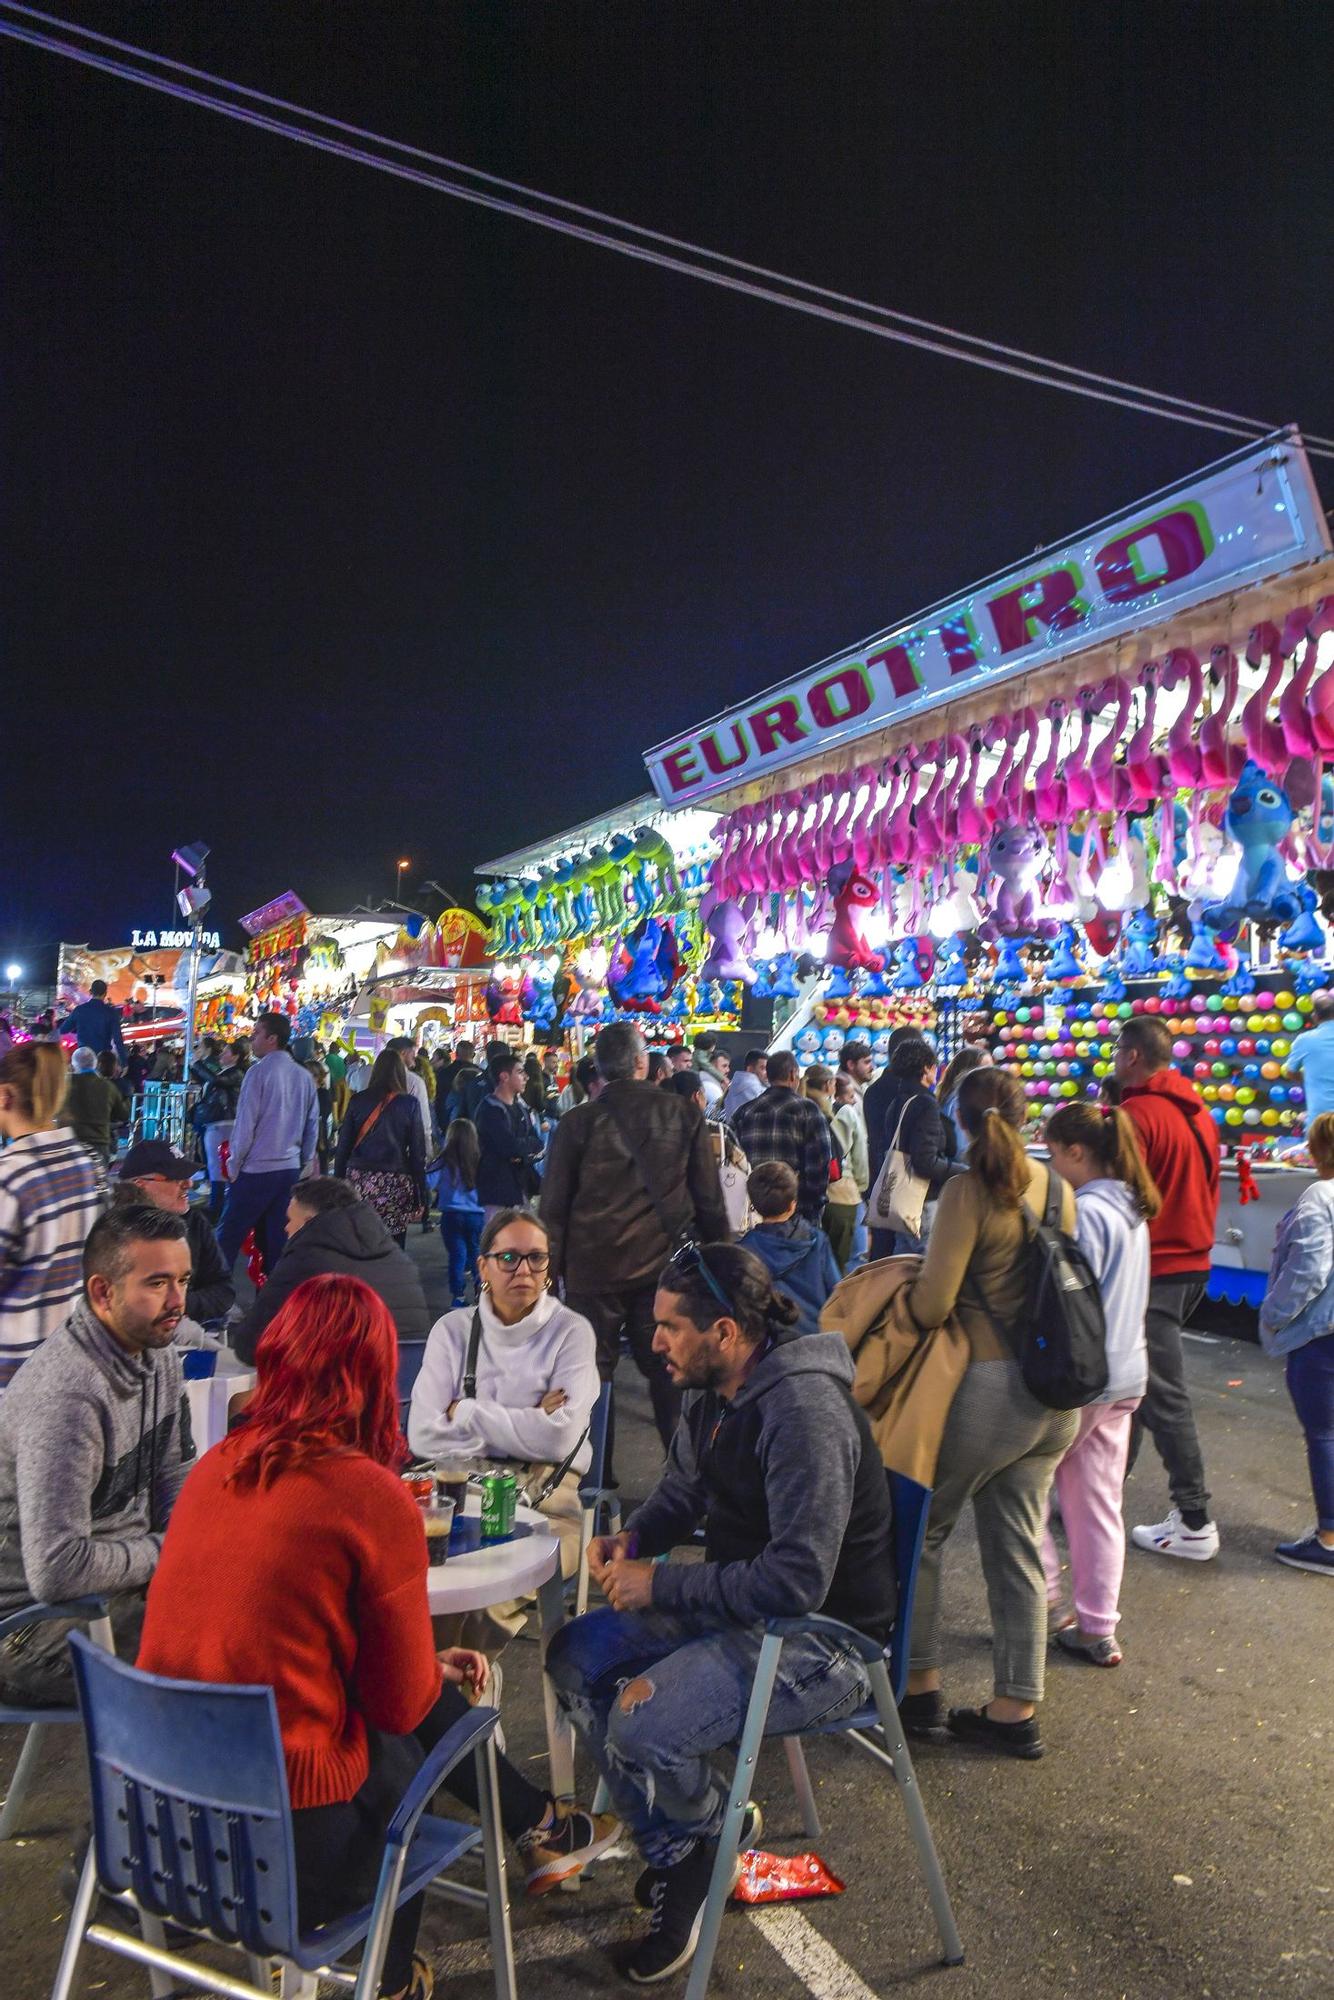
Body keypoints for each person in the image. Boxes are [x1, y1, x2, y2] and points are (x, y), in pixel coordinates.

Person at [137, 1275, 619, 2000]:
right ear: (373, 1374)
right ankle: (393, 1978)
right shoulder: (365, 1494)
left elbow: (275, 1636)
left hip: (152, 1826)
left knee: (397, 1714)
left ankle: (540, 1828)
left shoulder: (214, 1470)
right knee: (402, 1748)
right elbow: (398, 1706)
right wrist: (420, 1672)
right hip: (283, 1846)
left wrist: (414, 1666)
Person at [546, 1242, 896, 1984]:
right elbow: (686, 1491)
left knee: (640, 1721)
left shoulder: (802, 1411)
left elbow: (799, 1581)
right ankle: (697, 1844)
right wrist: (636, 1539)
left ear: (728, 1333)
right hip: (749, 1612)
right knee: (574, 1656)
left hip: (824, 1643)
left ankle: (696, 1847)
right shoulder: (713, 1390)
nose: (657, 1341)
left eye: (672, 1326)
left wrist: (662, 1585)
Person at [901, 1067, 1080, 1759]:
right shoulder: (1055, 1187)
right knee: (1018, 1544)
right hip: (1054, 1396)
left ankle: (919, 1693)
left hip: (987, 1390)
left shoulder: (967, 1191)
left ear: (959, 1120)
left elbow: (932, 1304)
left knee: (923, 1534)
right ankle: (1016, 1708)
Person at [0, 1203, 195, 1703]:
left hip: (114, 1595)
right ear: (102, 1292)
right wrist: (165, 1552)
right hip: (23, 1631)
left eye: (183, 1280)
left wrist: (192, 1549)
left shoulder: (160, 1354)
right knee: (228, 1645)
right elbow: (57, 1569)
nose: (177, 1301)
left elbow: (174, 1479)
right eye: (157, 1284)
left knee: (267, 1603)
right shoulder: (67, 1398)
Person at [409, 1208, 599, 1650]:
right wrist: (531, 1413)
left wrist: (467, 1412)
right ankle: (445, 1702)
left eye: (537, 1258)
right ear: (483, 1266)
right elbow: (422, 1435)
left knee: (482, 1600)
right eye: (509, 1258)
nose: (524, 1270)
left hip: (551, 1500)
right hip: (456, 1497)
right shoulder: (452, 1331)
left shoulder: (572, 1333)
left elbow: (559, 1439)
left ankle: (459, 1702)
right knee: (412, 1586)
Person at [540, 1022, 730, 1459]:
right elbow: (709, 1201)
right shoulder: (682, 1114)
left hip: (591, 1269)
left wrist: (548, 1277)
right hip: (663, 1269)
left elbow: (553, 1208)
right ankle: (680, 1480)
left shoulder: (576, 1123)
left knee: (590, 1376)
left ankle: (592, 1481)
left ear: (601, 1069)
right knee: (669, 1372)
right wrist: (723, 1261)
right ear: (643, 1063)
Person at [1041, 1101, 1159, 1665]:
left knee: (1023, 1490)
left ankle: (1044, 1604)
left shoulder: (1086, 1212)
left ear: (1078, 1152)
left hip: (1085, 1375)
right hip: (1127, 1372)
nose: (1050, 1163)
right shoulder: (1131, 1209)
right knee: (1097, 1504)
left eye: (1055, 1152)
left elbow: (1066, 1300)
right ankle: (1097, 1626)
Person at [1115, 1013, 1222, 1562]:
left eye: (1117, 1049)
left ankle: (1195, 1518)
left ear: (1133, 1056)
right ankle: (1103, 1489)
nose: (1113, 1057)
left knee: (1162, 1394)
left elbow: (1118, 1197)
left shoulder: (1136, 1114)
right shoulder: (1199, 1112)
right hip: (1193, 1264)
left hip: (1156, 1267)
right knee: (1133, 1388)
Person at [231, 1177, 429, 1363]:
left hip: (340, 1390)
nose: (286, 1228)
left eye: (291, 1220)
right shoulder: (400, 1260)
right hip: (404, 1387)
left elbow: (251, 1345)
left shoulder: (305, 1258)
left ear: (309, 1221)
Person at [0, 1043, 104, 1393]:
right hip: (66, 1358)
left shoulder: (11, 1176)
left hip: (12, 1370)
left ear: (5, 1096)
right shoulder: (82, 1163)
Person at [1258, 1108, 1334, 1574]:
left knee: (1324, 1432)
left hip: (1323, 1335)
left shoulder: (1319, 1198)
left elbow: (1308, 1270)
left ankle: (1328, 1537)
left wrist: (1273, 1315)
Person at [216, 1009, 319, 1280]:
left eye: (257, 1033)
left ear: (272, 1038)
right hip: (288, 1168)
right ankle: (274, 1303)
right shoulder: (304, 1076)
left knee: (227, 1236)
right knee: (277, 1240)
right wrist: (304, 1161)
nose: (252, 1039)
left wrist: (234, 1163)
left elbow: (245, 1124)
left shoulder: (257, 1073)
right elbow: (312, 1125)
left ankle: (216, 1302)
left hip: (256, 1168)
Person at [118, 1139, 236, 1326]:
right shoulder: (115, 1232)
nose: (188, 1184)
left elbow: (224, 1290)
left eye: (187, 1176)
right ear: (140, 1185)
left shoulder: (196, 1224)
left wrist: (179, 1305)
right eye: (175, 1178)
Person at [866, 1034, 957, 1257]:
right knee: (927, 1266)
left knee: (903, 1268)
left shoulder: (899, 1101)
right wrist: (960, 1171)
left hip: (899, 1200)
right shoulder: (925, 1103)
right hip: (922, 1201)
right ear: (926, 1069)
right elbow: (924, 1161)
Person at [335, 1048, 428, 1248]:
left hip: (360, 1180)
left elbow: (343, 1147)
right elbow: (417, 1154)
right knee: (394, 1243)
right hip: (396, 1181)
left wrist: (338, 1184)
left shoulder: (358, 1100)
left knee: (360, 1238)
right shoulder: (409, 1104)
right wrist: (422, 1194)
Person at [732, 1047, 833, 1225]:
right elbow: (820, 1163)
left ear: (768, 1076)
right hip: (797, 1212)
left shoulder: (744, 1112)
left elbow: (735, 1161)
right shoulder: (808, 1110)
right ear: (793, 1074)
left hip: (754, 1211)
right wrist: (813, 1203)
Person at [738, 1160, 841, 1334]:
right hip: (817, 1337)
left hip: (771, 1345)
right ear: (793, 1205)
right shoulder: (817, 1239)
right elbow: (837, 1291)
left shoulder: (744, 1251)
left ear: (754, 1206)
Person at [801, 1065, 861, 1271]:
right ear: (829, 1085)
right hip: (835, 1196)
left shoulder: (797, 1107)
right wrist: (862, 1186)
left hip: (799, 1199)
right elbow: (837, 1158)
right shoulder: (823, 1115)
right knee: (838, 1263)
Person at [475, 1050, 543, 1219]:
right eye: (520, 1072)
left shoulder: (521, 1108)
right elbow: (508, 1146)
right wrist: (523, 1149)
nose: (526, 1077)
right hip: (498, 1189)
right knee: (499, 1241)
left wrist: (522, 1153)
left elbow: (538, 1142)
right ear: (504, 1076)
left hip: (521, 1187)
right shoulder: (490, 1109)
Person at [862, 1022, 930, 1187]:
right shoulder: (916, 1094)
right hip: (911, 1181)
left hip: (880, 1176)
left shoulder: (872, 1091)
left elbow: (874, 1139)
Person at [436, 1117, 486, 1308]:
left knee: (457, 1256)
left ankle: (458, 1296)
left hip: (451, 1215)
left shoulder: (444, 1160)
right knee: (476, 1254)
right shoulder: (479, 1160)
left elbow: (429, 1181)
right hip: (476, 1215)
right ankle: (482, 1290)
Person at [197, 1038, 247, 1215]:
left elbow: (217, 1081)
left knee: (219, 1165)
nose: (221, 1055)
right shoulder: (227, 1071)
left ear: (235, 1057)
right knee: (216, 1164)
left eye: (226, 1052)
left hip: (224, 1123)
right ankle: (218, 1204)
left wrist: (197, 1064)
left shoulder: (235, 1073)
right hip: (218, 1122)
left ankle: (217, 1207)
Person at [61, 1044, 125, 1160]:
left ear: (74, 1065)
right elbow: (123, 1114)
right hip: (99, 1144)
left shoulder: (64, 1084)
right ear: (95, 1064)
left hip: (70, 1143)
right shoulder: (107, 1086)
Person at [1284, 991, 1334, 1124]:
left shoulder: (1304, 1040)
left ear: (1315, 1017)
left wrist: (1311, 1078)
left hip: (1320, 1119)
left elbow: (1290, 1072)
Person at [937, 1044, 992, 1156]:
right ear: (968, 1072)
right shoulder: (958, 1102)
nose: (991, 1074)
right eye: (985, 1069)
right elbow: (961, 1149)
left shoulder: (952, 1097)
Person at [58, 977, 127, 1061]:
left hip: (83, 1058)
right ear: (105, 993)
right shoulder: (111, 1012)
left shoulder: (79, 1010)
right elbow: (118, 1040)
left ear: (90, 992)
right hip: (103, 1059)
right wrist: (124, 1062)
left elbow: (63, 1030)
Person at [388, 1035, 434, 1156]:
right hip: (402, 1150)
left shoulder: (371, 1077)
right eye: (413, 1053)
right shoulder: (414, 1081)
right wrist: (427, 1152)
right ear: (403, 1053)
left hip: (372, 1152)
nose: (415, 1057)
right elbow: (423, 1122)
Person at [720, 1048, 767, 1121]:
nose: (767, 1073)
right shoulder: (756, 1090)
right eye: (763, 1068)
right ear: (750, 1069)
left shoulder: (733, 1085)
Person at [691, 1032, 727, 1110]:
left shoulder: (700, 1053)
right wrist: (723, 1078)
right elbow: (708, 1067)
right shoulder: (701, 1055)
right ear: (711, 1045)